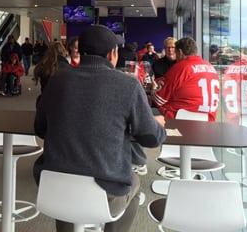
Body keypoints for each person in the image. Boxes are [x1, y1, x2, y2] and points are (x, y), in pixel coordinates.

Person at [34, 25, 166, 232]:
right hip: (105, 189)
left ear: (79, 50)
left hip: (52, 186)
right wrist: (157, 124)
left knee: (66, 183)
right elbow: (151, 139)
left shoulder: (57, 79)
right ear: (113, 54)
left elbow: (40, 128)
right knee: (135, 182)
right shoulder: (128, 85)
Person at [153, 37, 219, 121]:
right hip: (208, 120)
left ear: (180, 52)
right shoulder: (210, 67)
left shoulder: (181, 66)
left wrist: (153, 90)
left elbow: (159, 100)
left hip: (180, 118)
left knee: (145, 114)